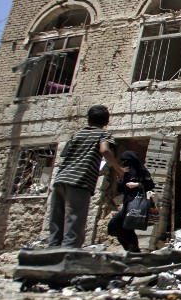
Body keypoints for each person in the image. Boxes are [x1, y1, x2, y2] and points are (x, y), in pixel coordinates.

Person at [48, 105, 126, 248]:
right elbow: (105, 150)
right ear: (106, 122)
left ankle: (51, 254)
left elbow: (64, 154)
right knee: (74, 221)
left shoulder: (77, 134)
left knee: (56, 221)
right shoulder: (103, 134)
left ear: (88, 120)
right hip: (80, 181)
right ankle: (68, 257)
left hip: (61, 179)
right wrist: (118, 168)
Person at [107, 151, 155, 252]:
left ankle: (133, 248)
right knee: (116, 227)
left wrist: (137, 185)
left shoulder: (142, 171)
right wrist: (120, 180)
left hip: (136, 204)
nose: (124, 163)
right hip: (127, 204)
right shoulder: (126, 172)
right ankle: (132, 248)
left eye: (126, 161)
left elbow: (150, 185)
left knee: (118, 225)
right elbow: (120, 189)